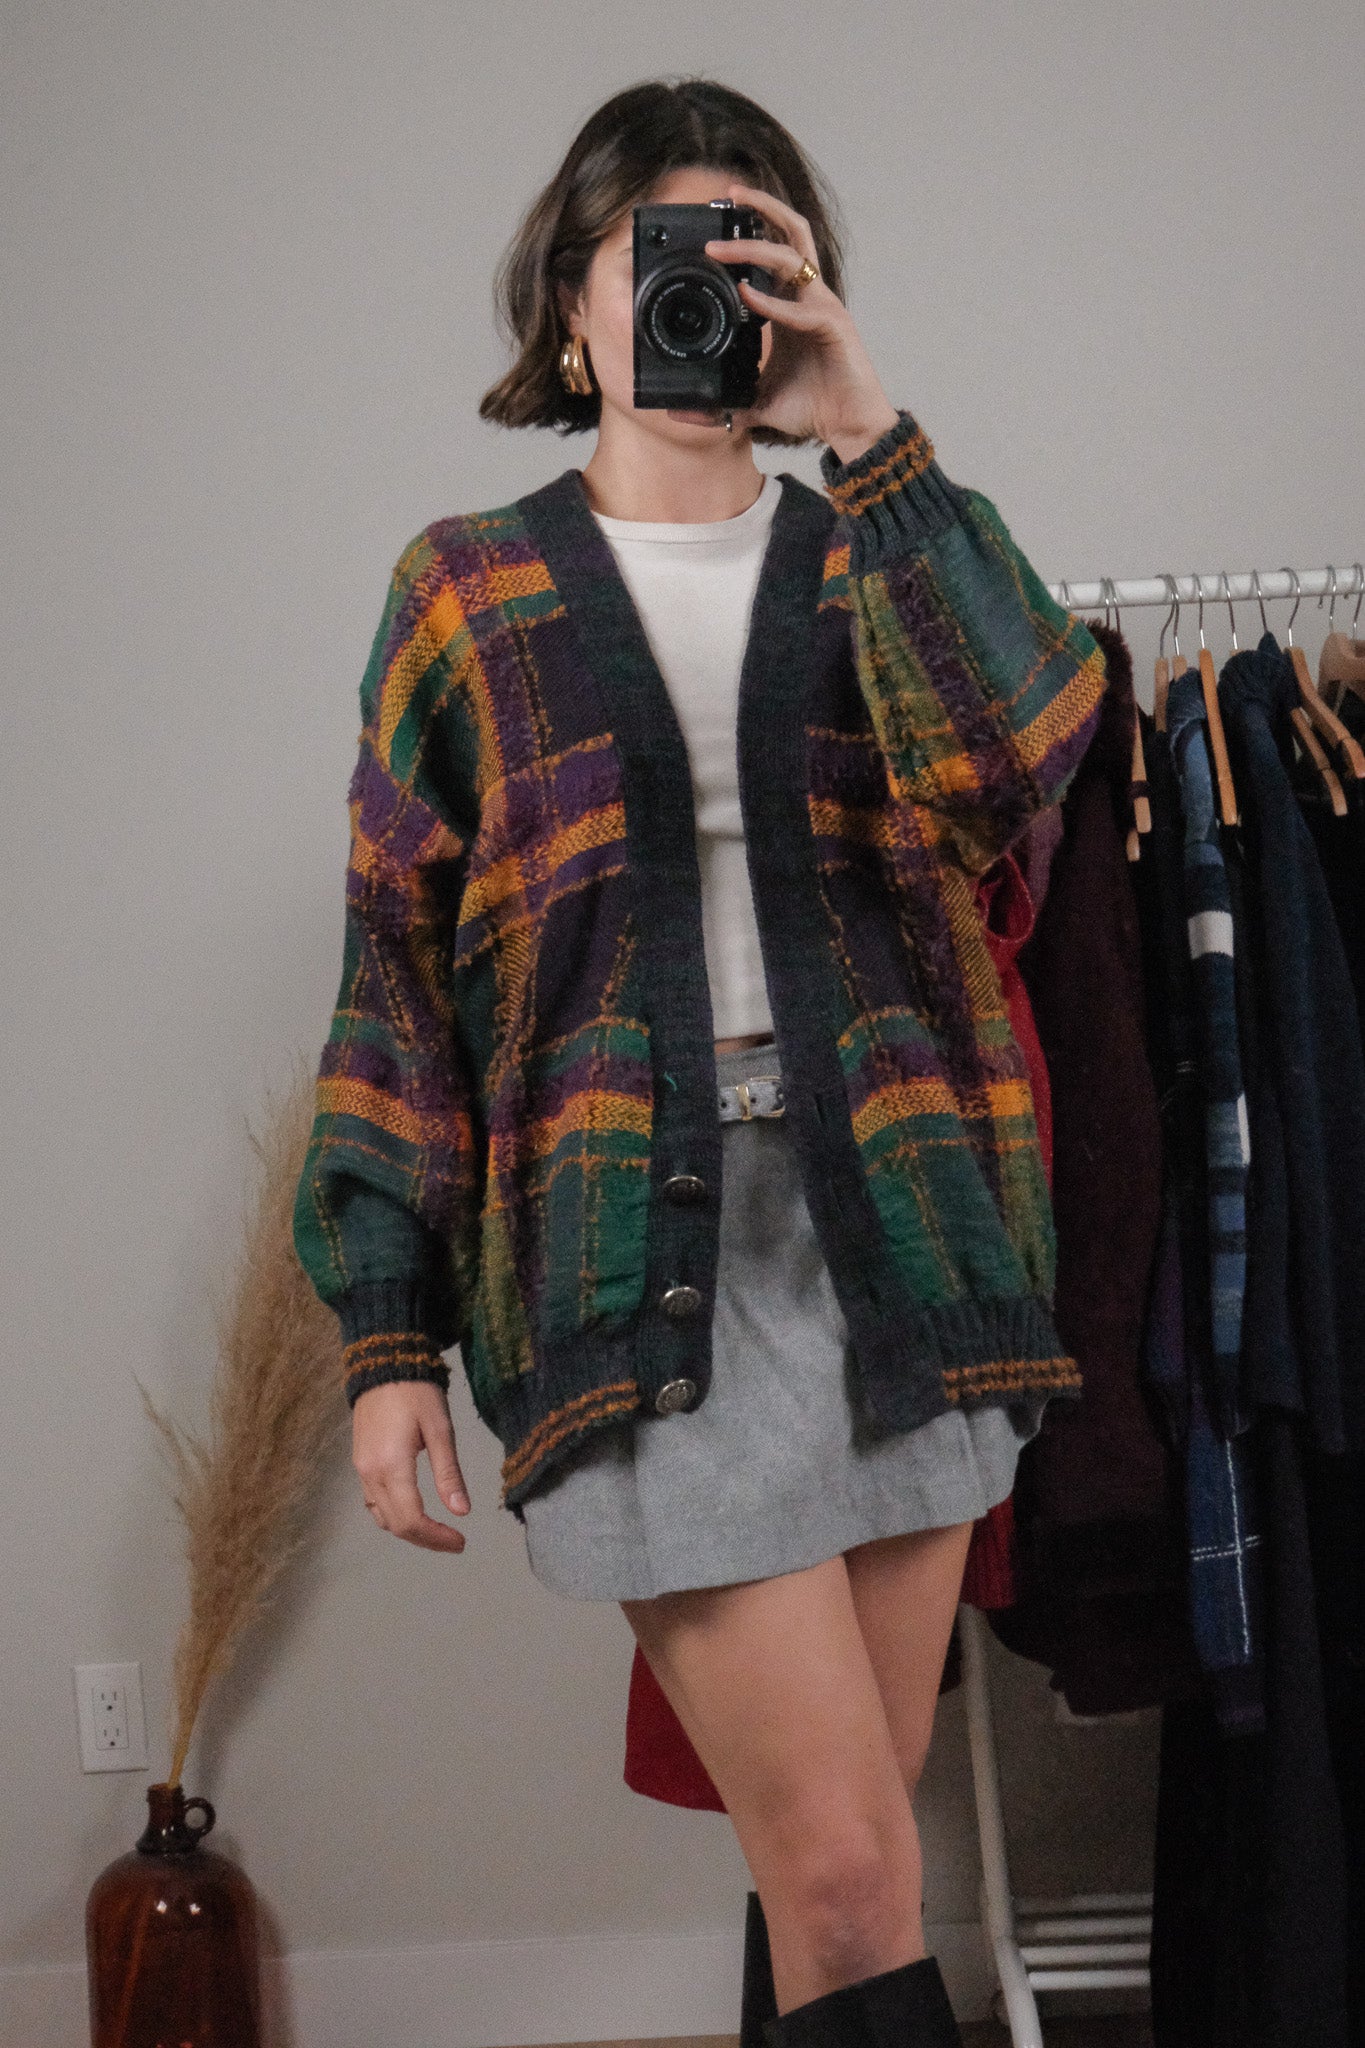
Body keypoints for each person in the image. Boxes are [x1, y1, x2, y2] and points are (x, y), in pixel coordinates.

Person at [293, 76, 1106, 2048]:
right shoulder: (466, 592)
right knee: (842, 1875)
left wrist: (866, 428)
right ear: (570, 302)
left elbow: (1022, 769)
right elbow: (397, 970)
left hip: (901, 1235)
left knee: (850, 1868)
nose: (697, 298)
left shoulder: (869, 556)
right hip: (628, 1255)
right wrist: (387, 1335)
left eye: (748, 259)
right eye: (659, 256)